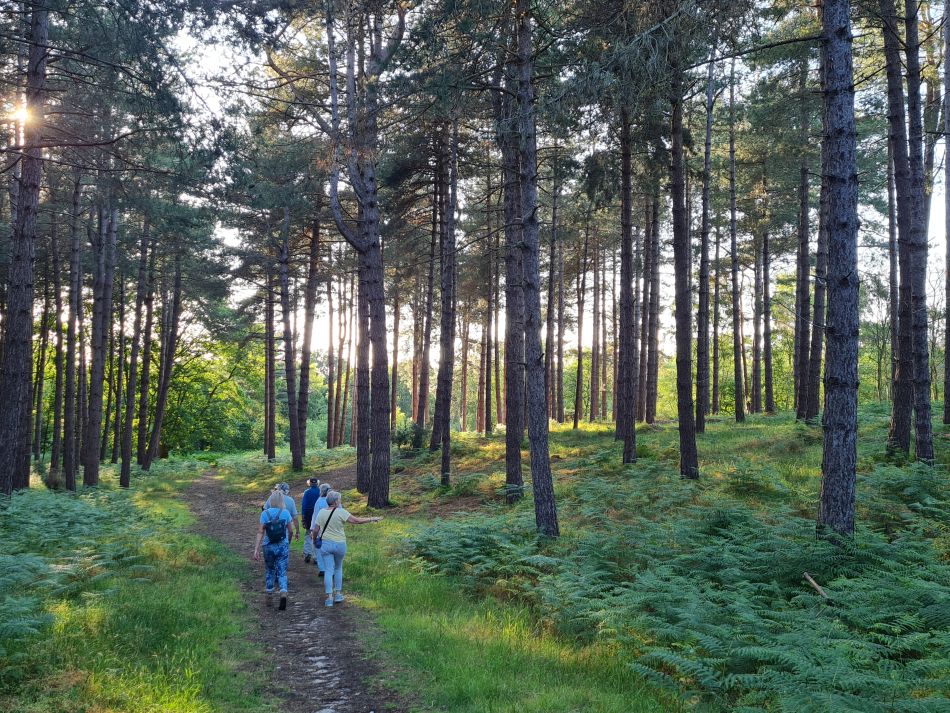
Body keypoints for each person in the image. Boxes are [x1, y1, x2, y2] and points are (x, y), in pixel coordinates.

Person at [310, 490, 382, 607]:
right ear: (335, 501)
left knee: (328, 570)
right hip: (340, 544)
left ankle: (329, 598)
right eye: (339, 499)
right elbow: (356, 521)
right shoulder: (341, 512)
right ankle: (338, 594)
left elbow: (316, 530)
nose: (340, 501)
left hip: (326, 545)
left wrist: (314, 541)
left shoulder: (321, 513)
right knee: (338, 568)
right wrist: (372, 519)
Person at [253, 490, 293, 610]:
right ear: (282, 500)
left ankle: (269, 595)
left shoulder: (265, 514)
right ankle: (283, 591)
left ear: (270, 500)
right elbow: (291, 531)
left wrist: (256, 549)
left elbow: (260, 532)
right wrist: (288, 542)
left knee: (270, 570)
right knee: (282, 570)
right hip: (282, 545)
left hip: (268, 546)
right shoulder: (285, 513)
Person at [300, 478, 322, 564]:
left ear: (309, 484)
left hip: (309, 515)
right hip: (319, 514)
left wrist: (303, 517)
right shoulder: (321, 492)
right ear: (317, 483)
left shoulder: (307, 492)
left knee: (308, 533)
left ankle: (307, 553)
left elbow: (304, 505)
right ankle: (316, 557)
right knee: (318, 534)